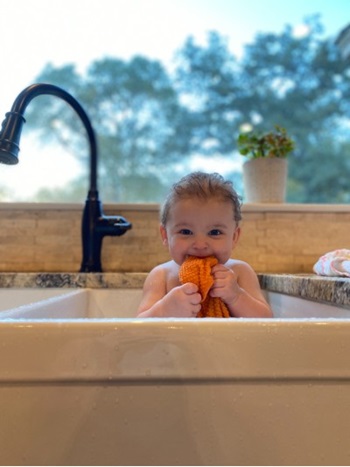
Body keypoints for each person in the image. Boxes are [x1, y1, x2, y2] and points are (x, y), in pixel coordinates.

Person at [137, 172, 272, 318]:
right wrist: (164, 310)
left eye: (215, 232)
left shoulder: (240, 272)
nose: (200, 245)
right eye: (186, 231)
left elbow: (266, 322)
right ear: (165, 236)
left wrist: (236, 296)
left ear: (234, 237)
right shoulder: (161, 276)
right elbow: (139, 327)